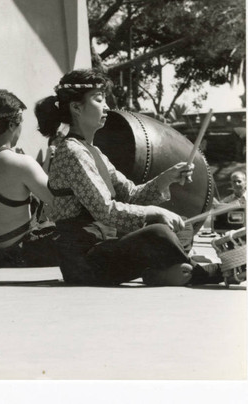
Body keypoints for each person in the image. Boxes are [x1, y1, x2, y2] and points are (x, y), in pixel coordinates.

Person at [35, 69, 223, 286]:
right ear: (76, 107)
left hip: (105, 250)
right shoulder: (71, 152)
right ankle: (202, 271)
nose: (106, 107)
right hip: (85, 263)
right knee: (160, 233)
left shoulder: (93, 152)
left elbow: (132, 194)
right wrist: (154, 212)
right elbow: (105, 211)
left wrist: (167, 177)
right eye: (98, 100)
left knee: (182, 224)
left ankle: (167, 271)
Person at [0, 89, 59, 267]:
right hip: (20, 251)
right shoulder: (21, 162)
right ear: (12, 125)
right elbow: (61, 203)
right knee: (87, 231)